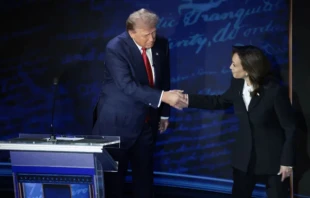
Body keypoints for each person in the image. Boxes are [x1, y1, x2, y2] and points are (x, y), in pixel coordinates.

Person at [179, 45, 296, 198]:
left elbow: (290, 128)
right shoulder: (237, 84)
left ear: (247, 69)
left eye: (234, 65)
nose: (230, 67)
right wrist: (186, 99)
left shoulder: (274, 91)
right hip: (244, 159)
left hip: (273, 161)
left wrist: (287, 161)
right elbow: (219, 101)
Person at [92, 8, 186, 198]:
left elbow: (163, 79)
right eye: (146, 35)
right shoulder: (116, 47)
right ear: (131, 32)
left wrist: (164, 113)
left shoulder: (161, 43)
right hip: (117, 124)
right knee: (114, 183)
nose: (152, 39)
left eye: (154, 32)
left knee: (144, 179)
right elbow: (127, 85)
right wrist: (164, 97)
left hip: (146, 122)